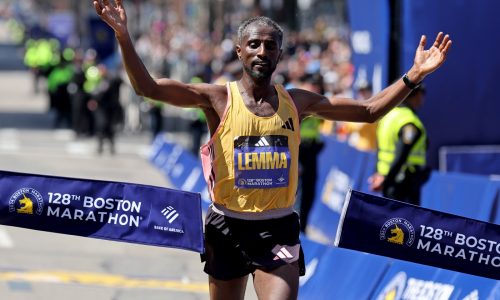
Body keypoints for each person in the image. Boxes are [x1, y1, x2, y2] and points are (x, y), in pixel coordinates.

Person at [92, 1, 451, 299]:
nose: (262, 51)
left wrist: (413, 76)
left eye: (270, 45)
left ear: (280, 53)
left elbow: (368, 111)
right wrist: (123, 36)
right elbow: (148, 89)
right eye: (254, 44)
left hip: (278, 230)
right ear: (239, 51)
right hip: (226, 227)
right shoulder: (216, 98)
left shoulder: (297, 102)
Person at [369, 85, 430, 206]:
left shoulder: (387, 116)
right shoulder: (409, 121)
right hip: (404, 181)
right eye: (422, 94)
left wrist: (378, 174)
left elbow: (379, 148)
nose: (423, 98)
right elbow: (401, 154)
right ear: (416, 95)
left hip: (388, 178)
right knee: (406, 222)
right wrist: (386, 179)